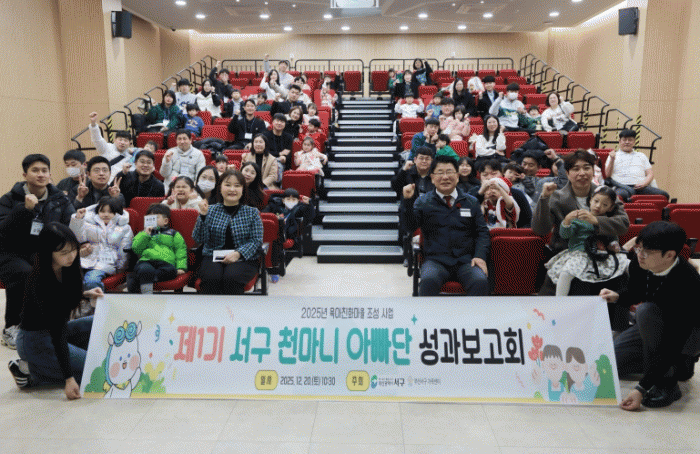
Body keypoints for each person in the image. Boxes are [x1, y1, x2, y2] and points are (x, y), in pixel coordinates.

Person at [600, 221, 700, 410]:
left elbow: (675, 340)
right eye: (639, 248)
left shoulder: (687, 281)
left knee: (645, 311)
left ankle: (668, 382)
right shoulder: (640, 264)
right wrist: (618, 296)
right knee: (613, 363)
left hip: (687, 333)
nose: (640, 255)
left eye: (647, 252)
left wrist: (641, 388)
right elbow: (637, 292)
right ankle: (676, 365)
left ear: (669, 255)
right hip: (653, 325)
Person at [7, 222, 103, 398]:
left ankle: (44, 366)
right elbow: (57, 334)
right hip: (35, 341)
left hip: (56, 331)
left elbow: (64, 302)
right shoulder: (40, 281)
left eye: (73, 250)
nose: (71, 256)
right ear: (48, 253)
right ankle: (32, 372)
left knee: (97, 321)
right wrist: (68, 379)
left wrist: (86, 294)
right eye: (64, 253)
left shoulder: (66, 268)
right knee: (96, 371)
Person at [0, 154, 76, 349]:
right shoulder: (9, 199)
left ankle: (51, 324)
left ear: (50, 174)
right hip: (11, 252)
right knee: (25, 273)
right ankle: (12, 327)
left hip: (42, 250)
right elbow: (3, 232)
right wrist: (24, 210)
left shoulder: (60, 199)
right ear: (25, 175)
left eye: (44, 170)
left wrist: (79, 222)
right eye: (35, 170)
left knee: (61, 269)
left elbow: (69, 226)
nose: (40, 174)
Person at [532, 149, 630, 295]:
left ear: (593, 171)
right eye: (576, 169)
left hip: (603, 253)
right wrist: (544, 198)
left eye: (586, 168)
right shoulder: (556, 197)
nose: (582, 173)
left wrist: (596, 221)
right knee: (575, 284)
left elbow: (623, 224)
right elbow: (540, 229)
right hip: (570, 252)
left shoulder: (605, 194)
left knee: (623, 276)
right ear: (567, 173)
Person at [402, 154, 490, 296]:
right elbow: (410, 227)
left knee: (480, 281)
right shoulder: (423, 202)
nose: (445, 177)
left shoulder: (471, 202)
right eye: (440, 173)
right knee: (428, 281)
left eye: (449, 172)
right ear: (432, 177)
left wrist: (479, 256)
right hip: (435, 261)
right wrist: (407, 201)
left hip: (466, 261)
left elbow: (482, 233)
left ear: (457, 176)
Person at [546, 186, 630, 296]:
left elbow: (613, 237)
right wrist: (566, 221)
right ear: (590, 200)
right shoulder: (579, 218)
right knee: (566, 273)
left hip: (603, 255)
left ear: (610, 208)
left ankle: (632, 294)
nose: (598, 206)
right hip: (580, 254)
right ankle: (560, 300)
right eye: (596, 201)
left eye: (605, 205)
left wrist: (614, 244)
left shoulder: (608, 221)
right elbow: (565, 234)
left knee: (629, 265)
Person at [193, 169, 264, 295]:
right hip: (212, 255)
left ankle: (233, 308)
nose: (232, 189)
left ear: (243, 189)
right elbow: (199, 238)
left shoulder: (252, 213)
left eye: (237, 186)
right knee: (211, 278)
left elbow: (256, 241)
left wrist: (238, 254)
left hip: (243, 258)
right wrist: (203, 216)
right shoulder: (210, 210)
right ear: (220, 188)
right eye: (227, 185)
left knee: (232, 277)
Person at [69, 197, 132, 291]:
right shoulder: (88, 223)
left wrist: (120, 269)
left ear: (117, 212)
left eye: (110, 212)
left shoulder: (124, 228)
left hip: (106, 263)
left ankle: (98, 299)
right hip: (84, 259)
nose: (106, 214)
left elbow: (124, 250)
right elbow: (76, 237)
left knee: (91, 282)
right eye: (102, 211)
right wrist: (78, 219)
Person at [127, 204, 187, 294]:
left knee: (171, 271)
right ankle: (147, 296)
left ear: (165, 221)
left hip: (166, 263)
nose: (152, 221)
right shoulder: (143, 234)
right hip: (146, 261)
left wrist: (181, 267)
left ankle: (140, 278)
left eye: (156, 218)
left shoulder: (173, 234)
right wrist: (145, 235)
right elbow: (136, 248)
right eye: (149, 218)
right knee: (145, 269)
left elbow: (180, 250)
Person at [605, 129, 670, 201]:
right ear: (620, 141)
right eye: (624, 140)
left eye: (630, 140)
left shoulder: (641, 155)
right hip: (621, 187)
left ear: (634, 141)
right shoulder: (613, 155)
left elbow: (650, 173)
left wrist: (644, 183)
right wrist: (612, 159)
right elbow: (607, 175)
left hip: (641, 187)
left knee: (664, 195)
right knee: (620, 196)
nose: (627, 142)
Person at [469, 159, 532, 228]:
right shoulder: (474, 192)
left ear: (502, 174)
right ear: (480, 177)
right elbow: (467, 215)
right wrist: (480, 193)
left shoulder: (516, 193)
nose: (489, 178)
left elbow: (527, 221)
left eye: (493, 174)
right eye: (485, 175)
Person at [88, 112, 135, 181]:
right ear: (114, 140)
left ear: (129, 143)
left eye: (125, 140)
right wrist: (93, 124)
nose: (122, 142)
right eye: (120, 140)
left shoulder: (130, 156)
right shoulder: (106, 148)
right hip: (105, 182)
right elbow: (97, 139)